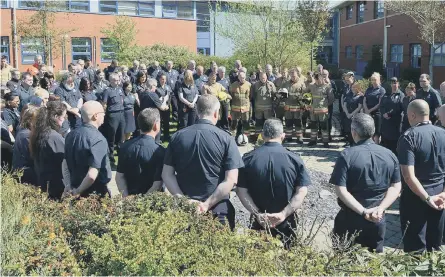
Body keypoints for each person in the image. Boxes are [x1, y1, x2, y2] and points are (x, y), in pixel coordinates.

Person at [162, 95, 244, 229]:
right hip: (217, 208)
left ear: (197, 111)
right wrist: (206, 205)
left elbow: (167, 174)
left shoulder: (177, 136)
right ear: (216, 113)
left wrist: (183, 200)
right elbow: (232, 179)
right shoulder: (226, 139)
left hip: (185, 208)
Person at [330, 113, 401, 253]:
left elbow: (340, 189)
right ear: (373, 131)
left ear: (353, 132)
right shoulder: (390, 154)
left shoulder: (347, 155)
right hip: (377, 218)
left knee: (344, 261)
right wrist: (381, 208)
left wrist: (363, 212)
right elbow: (396, 186)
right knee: (372, 264)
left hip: (350, 218)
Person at [237, 118, 310, 246]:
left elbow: (241, 191)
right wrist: (283, 214)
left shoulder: (248, 159)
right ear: (283, 136)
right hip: (287, 222)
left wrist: (257, 214)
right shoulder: (294, 159)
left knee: (258, 260)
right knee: (288, 260)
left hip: (259, 222)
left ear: (262, 135)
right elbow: (301, 191)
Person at [397, 99, 445, 253]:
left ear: (411, 115)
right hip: (440, 195)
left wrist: (427, 198)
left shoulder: (408, 137)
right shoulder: (443, 133)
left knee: (415, 248)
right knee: (435, 245)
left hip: (415, 197)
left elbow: (408, 177)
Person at [64, 101, 111, 197]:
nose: (104, 116)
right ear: (96, 116)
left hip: (73, 189)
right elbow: (91, 175)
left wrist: (68, 186)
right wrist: (78, 191)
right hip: (93, 194)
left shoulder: (70, 135)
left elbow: (64, 163)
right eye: (103, 113)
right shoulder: (98, 139)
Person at [116, 108, 165, 196]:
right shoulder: (159, 151)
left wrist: (127, 198)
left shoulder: (125, 147)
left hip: (130, 199)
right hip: (152, 202)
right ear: (155, 126)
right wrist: (143, 203)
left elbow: (119, 177)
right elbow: (157, 184)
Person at [29, 101, 67, 199]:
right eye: (63, 116)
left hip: (43, 181)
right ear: (55, 116)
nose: (65, 119)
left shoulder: (40, 133)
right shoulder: (54, 137)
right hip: (55, 185)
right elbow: (64, 160)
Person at [101, 73, 125, 169]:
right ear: (110, 81)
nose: (117, 82)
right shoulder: (107, 91)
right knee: (112, 137)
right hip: (112, 115)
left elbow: (122, 99)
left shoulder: (120, 89)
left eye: (118, 80)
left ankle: (121, 158)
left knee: (121, 136)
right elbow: (104, 104)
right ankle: (111, 159)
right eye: (115, 80)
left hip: (121, 114)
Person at [12, 106, 38, 185]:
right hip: (26, 174)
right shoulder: (27, 135)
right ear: (30, 120)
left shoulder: (23, 131)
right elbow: (32, 156)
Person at [307, 73, 334, 147]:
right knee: (313, 126)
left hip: (323, 111)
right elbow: (305, 94)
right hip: (313, 110)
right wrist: (307, 104)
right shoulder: (311, 86)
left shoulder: (327, 87)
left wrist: (324, 106)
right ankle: (313, 140)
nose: (318, 81)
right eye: (316, 79)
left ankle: (325, 141)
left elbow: (331, 99)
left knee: (324, 127)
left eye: (319, 79)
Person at [379, 77, 404, 155]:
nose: (393, 85)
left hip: (395, 124)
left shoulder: (401, 95)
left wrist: (389, 114)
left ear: (398, 84)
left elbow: (398, 107)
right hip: (385, 125)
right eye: (392, 83)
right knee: (384, 146)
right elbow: (381, 105)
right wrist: (384, 113)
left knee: (394, 146)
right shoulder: (386, 94)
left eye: (395, 83)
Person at [281, 69, 305, 143]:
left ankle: (299, 137)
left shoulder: (301, 84)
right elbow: (282, 95)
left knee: (298, 124)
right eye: (291, 75)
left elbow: (305, 96)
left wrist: (303, 106)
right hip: (288, 108)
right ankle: (288, 137)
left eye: (294, 75)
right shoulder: (286, 84)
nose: (293, 77)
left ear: (297, 74)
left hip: (297, 108)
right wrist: (283, 103)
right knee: (288, 123)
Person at [252, 72, 276, 136]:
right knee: (258, 123)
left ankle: (268, 136)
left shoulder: (271, 84)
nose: (263, 79)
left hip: (268, 108)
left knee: (268, 123)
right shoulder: (255, 85)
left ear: (266, 77)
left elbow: (274, 95)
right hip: (258, 108)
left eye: (264, 78)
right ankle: (258, 137)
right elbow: (253, 96)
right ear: (259, 78)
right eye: (262, 78)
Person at [229, 71, 251, 139]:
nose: (242, 79)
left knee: (246, 123)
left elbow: (250, 96)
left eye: (244, 78)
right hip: (235, 109)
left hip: (245, 109)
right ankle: (232, 137)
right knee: (234, 124)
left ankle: (246, 138)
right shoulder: (233, 85)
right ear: (238, 77)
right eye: (241, 78)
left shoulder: (249, 85)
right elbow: (231, 95)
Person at [342, 82, 364, 147]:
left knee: (355, 130)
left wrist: (351, 114)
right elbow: (345, 104)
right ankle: (349, 142)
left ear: (358, 88)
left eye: (354, 87)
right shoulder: (349, 95)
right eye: (352, 87)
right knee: (348, 129)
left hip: (355, 115)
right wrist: (347, 113)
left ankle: (355, 144)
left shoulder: (360, 96)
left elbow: (359, 107)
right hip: (348, 114)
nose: (353, 89)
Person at [322, 69, 338, 142]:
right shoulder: (319, 82)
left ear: (328, 75)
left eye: (325, 74)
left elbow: (335, 92)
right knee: (321, 121)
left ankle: (328, 135)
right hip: (320, 105)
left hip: (329, 105)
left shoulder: (332, 82)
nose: (324, 76)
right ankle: (322, 135)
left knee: (328, 120)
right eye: (323, 74)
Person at [156, 73, 172, 141]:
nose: (164, 80)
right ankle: (159, 137)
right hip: (159, 108)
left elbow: (170, 97)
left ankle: (166, 136)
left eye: (165, 79)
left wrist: (168, 105)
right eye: (162, 79)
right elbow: (157, 98)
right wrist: (162, 105)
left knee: (166, 122)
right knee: (159, 123)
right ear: (159, 79)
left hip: (166, 107)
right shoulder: (156, 88)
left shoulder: (168, 87)